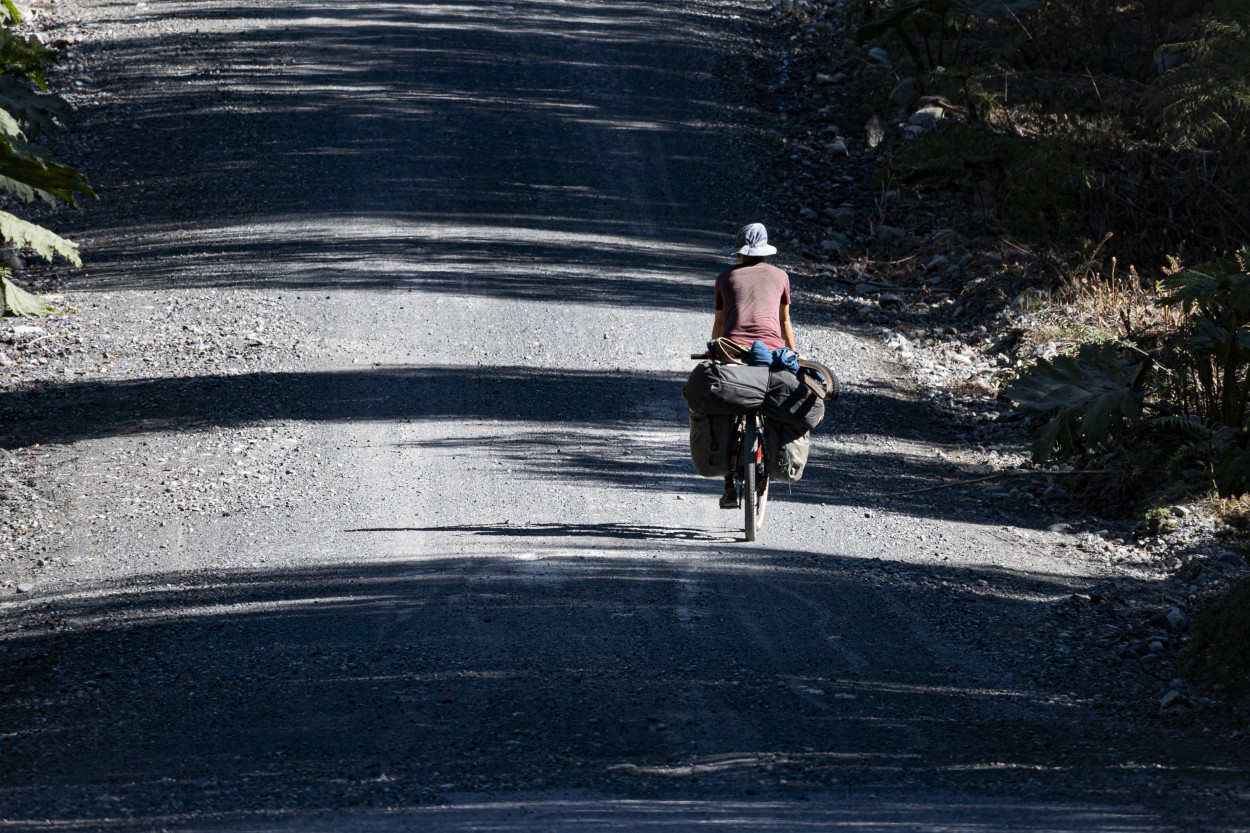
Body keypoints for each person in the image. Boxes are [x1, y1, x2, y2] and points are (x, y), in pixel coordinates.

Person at [711, 222, 795, 508]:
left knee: (723, 405)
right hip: (771, 353)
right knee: (775, 400)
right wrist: (794, 354)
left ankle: (727, 482)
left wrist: (714, 353)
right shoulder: (781, 276)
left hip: (733, 350)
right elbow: (784, 323)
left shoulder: (725, 278)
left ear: (739, 254)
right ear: (764, 252)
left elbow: (720, 324)